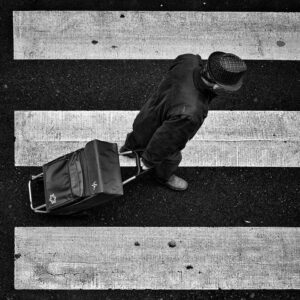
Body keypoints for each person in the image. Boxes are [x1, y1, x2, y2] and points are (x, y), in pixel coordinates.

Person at [120, 52, 247, 191]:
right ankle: (163, 177)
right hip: (166, 129)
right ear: (217, 86)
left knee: (139, 134)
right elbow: (166, 140)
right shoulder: (191, 112)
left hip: (148, 114)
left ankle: (128, 149)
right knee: (171, 158)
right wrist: (148, 161)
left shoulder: (189, 60)